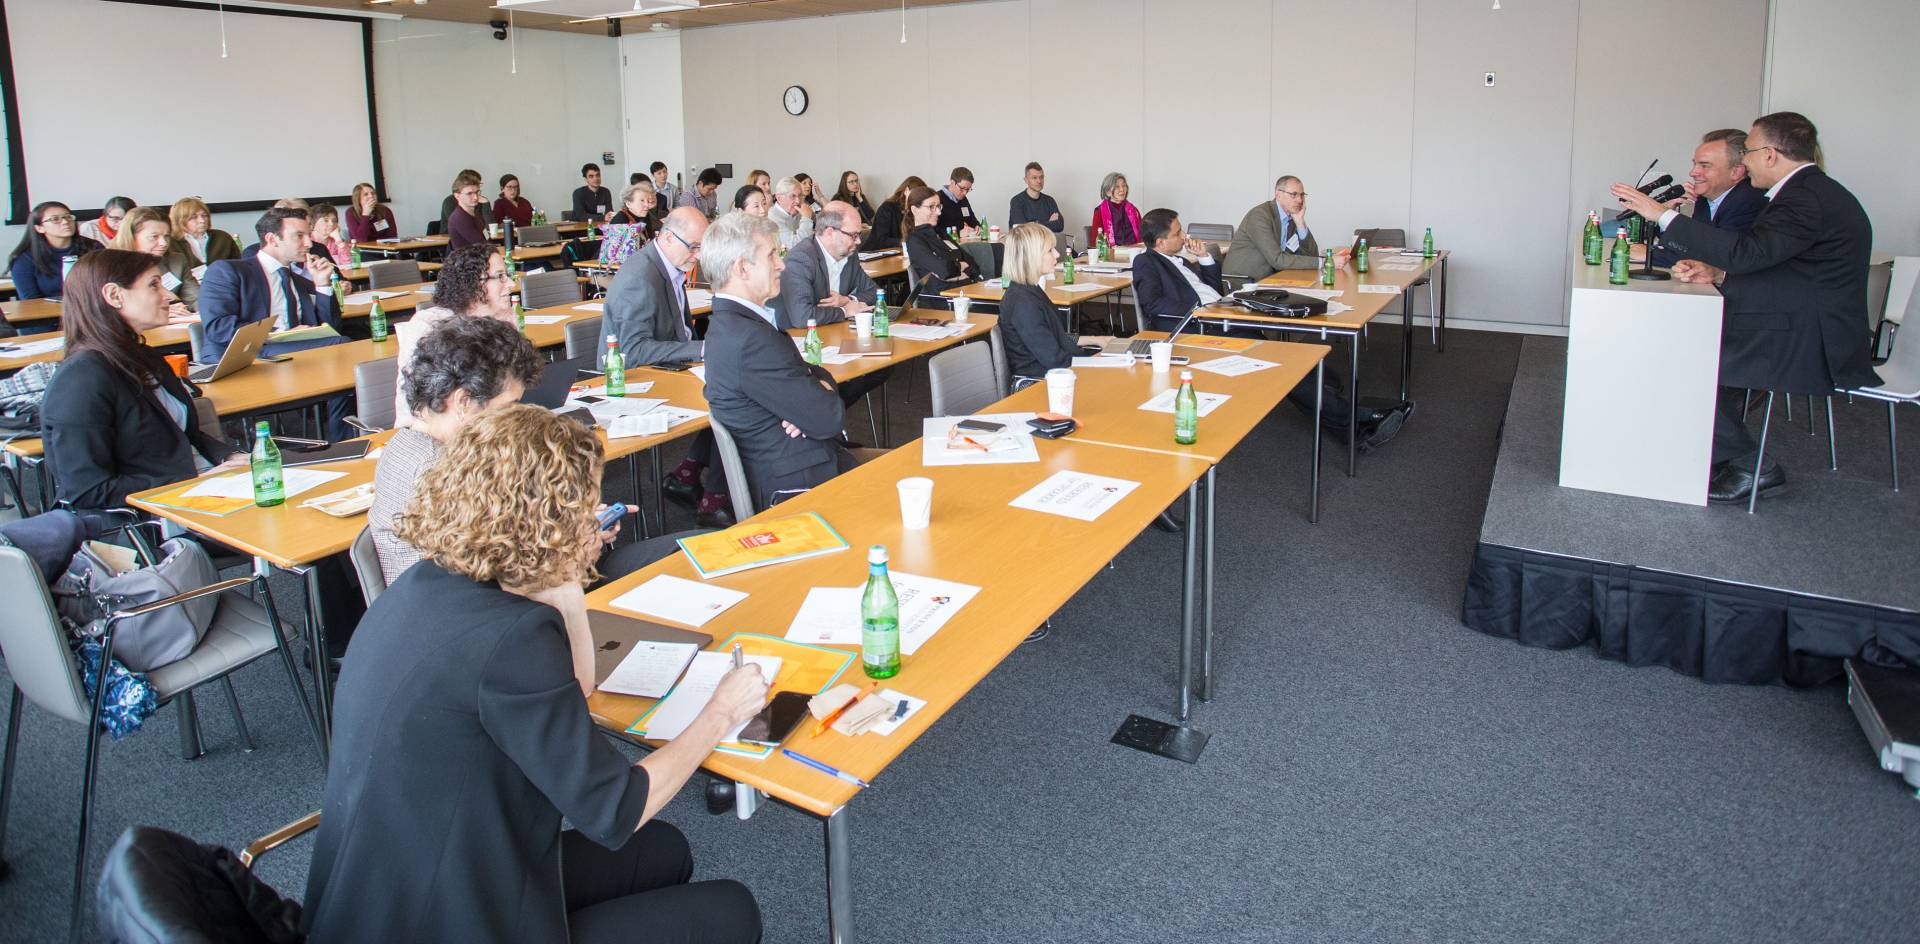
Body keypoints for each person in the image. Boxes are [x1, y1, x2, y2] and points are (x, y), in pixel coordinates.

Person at [302, 403, 767, 944]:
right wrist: (721, 712)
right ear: (547, 518)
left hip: (391, 893)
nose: (596, 515)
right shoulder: (512, 640)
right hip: (452, 919)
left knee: (666, 850)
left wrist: (566, 578)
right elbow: (617, 808)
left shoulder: (425, 583)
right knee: (732, 910)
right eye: (588, 503)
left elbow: (578, 688)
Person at [1611, 111, 1880, 504]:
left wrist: (1663, 214)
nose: (1746, 162)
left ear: (1770, 154)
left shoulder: (1804, 199)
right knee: (1685, 351)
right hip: (1792, 317)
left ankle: (1750, 465)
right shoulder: (1806, 193)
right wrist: (1719, 275)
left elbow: (1747, 253)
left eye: (1749, 152)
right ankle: (1714, 447)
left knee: (1686, 361)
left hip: (1807, 333)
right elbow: (1772, 260)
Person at [39, 250, 241, 511]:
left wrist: (230, 456)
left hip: (202, 491)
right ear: (114, 295)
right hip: (151, 516)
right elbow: (88, 491)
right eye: (154, 285)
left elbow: (182, 438)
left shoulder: (144, 356)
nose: (168, 295)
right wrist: (190, 481)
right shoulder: (82, 377)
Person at [702, 211, 874, 509]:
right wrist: (817, 393)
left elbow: (813, 377)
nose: (782, 264)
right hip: (802, 487)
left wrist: (817, 388)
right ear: (742, 268)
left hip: (804, 462)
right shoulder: (750, 339)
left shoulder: (738, 324)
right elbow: (827, 417)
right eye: (772, 256)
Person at [370, 316, 543, 583]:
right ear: (463, 401)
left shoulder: (407, 444)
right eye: (509, 406)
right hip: (453, 605)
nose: (515, 416)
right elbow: (494, 566)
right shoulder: (437, 468)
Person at [606, 208, 736, 527]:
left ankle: (688, 476)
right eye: (693, 246)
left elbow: (679, 329)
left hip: (666, 368)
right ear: (666, 237)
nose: (699, 255)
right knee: (733, 400)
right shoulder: (640, 278)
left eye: (702, 246)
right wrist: (703, 349)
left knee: (736, 393)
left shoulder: (669, 266)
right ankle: (711, 497)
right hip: (633, 380)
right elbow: (632, 352)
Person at [771, 201, 892, 408]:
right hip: (800, 343)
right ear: (829, 232)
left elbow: (873, 292)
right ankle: (825, 416)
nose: (858, 241)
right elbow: (802, 317)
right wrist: (844, 310)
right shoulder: (801, 259)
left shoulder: (848, 254)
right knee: (842, 381)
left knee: (883, 366)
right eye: (853, 235)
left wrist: (848, 300)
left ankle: (829, 414)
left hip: (832, 334)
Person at [392, 243, 520, 428]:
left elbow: (513, 379)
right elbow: (420, 402)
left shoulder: (503, 319)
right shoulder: (428, 326)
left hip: (492, 424)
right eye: (500, 277)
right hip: (431, 431)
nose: (510, 284)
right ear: (473, 284)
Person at [198, 208, 345, 357]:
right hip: (244, 354)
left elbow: (332, 328)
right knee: (340, 345)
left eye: (308, 235)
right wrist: (280, 334)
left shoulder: (300, 282)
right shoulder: (227, 271)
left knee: (340, 343)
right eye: (299, 236)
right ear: (272, 239)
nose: (309, 243)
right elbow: (219, 327)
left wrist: (322, 284)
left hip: (291, 352)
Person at [1639, 129, 1766, 267]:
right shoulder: (1704, 200)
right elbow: (1690, 245)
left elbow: (1714, 257)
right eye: (1695, 164)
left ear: (1736, 172)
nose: (1693, 172)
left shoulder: (1748, 200)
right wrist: (1666, 217)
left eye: (1704, 166)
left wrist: (1649, 254)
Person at [999, 223, 1090, 383]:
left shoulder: (1030, 290)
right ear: (1031, 256)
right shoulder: (1022, 302)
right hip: (1039, 382)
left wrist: (1096, 345)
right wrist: (1093, 365)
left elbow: (1055, 337)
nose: (1057, 254)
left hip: (1056, 373)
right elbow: (1054, 359)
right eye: (1050, 250)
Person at [1130, 208, 1224, 332]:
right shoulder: (1145, 261)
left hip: (1220, 313)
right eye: (1178, 233)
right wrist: (1199, 310)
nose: (1184, 236)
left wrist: (1203, 257)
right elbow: (1153, 303)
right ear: (1161, 243)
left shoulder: (1182, 261)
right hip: (1197, 323)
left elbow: (1215, 290)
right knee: (1252, 335)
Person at [109, 207, 194, 322]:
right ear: (132, 237)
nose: (164, 243)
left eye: (166, 236)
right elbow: (109, 310)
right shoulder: (110, 264)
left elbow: (196, 300)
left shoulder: (177, 261)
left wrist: (180, 309)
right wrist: (159, 311)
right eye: (154, 237)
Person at [8, 201, 103, 299]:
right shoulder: (24, 258)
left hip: (91, 307)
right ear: (39, 228)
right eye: (55, 219)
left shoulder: (93, 247)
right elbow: (30, 300)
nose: (65, 222)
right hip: (47, 312)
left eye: (68, 217)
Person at [905, 186, 982, 294]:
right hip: (945, 299)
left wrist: (960, 268)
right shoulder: (915, 241)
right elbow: (944, 271)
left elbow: (974, 265)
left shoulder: (941, 233)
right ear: (915, 210)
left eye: (938, 206)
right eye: (931, 207)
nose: (938, 212)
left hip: (966, 291)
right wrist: (962, 265)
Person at [168, 197, 242, 267]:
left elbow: (238, 264)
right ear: (180, 220)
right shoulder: (171, 242)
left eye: (204, 215)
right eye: (194, 217)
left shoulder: (222, 237)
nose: (202, 220)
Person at [862, 176, 924, 252]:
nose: (919, 198)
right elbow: (880, 240)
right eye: (917, 194)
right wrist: (905, 242)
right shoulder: (887, 208)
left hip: (899, 253)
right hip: (874, 254)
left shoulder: (915, 210)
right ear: (906, 190)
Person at [1007, 162, 1064, 234]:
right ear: (1026, 180)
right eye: (1034, 178)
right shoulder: (1017, 201)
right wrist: (1048, 223)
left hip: (1047, 243)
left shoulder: (1049, 200)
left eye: (1041, 177)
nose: (1039, 181)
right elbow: (1022, 229)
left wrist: (1033, 224)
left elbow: (1059, 225)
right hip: (1025, 244)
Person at [1091, 172, 1142, 247]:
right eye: (1117, 187)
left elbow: (1142, 234)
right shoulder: (1100, 212)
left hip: (1134, 252)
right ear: (1108, 192)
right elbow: (1095, 242)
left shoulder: (1133, 210)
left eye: (1124, 185)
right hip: (1111, 254)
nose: (1122, 189)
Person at [446, 170, 489, 250]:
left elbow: (486, 238)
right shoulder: (459, 218)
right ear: (457, 196)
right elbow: (481, 244)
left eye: (477, 192)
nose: (476, 197)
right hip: (468, 260)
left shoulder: (474, 213)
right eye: (469, 193)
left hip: (480, 256)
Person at [769, 176, 815, 249]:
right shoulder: (772, 217)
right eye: (793, 196)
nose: (798, 201)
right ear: (779, 198)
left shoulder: (797, 212)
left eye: (800, 196)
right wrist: (806, 219)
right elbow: (794, 246)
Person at [936, 167, 979, 234]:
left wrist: (977, 226)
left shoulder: (963, 199)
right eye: (962, 188)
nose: (965, 193)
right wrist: (958, 233)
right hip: (946, 243)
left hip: (964, 241)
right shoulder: (937, 199)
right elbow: (934, 230)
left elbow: (971, 219)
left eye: (968, 189)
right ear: (952, 182)